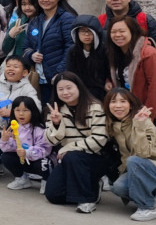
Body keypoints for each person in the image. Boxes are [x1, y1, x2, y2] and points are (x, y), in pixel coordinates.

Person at [104, 88, 156, 221]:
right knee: (118, 187)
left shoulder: (143, 122)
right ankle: (152, 194)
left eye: (123, 101)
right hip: (140, 169)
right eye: (113, 101)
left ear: (131, 105)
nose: (118, 105)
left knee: (134, 161)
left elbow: (142, 153)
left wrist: (139, 125)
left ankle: (147, 208)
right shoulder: (115, 125)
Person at [44, 71, 109, 213]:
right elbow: (51, 141)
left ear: (79, 87)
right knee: (53, 195)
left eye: (69, 88)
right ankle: (92, 187)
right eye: (60, 89)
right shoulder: (56, 110)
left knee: (73, 156)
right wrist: (56, 123)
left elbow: (99, 139)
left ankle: (87, 199)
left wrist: (69, 148)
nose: (65, 92)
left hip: (95, 157)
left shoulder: (95, 107)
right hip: (69, 159)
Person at [105, 16, 156, 143]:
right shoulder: (115, 53)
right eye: (113, 32)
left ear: (133, 32)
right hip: (133, 107)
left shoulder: (149, 54)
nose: (117, 35)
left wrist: (147, 115)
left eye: (122, 31)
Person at [28, 0, 77, 100]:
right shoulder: (35, 21)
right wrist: (31, 55)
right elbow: (26, 46)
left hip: (59, 78)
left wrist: (59, 72)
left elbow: (71, 47)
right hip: (41, 78)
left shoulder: (66, 19)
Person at [0, 95, 50, 191]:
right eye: (17, 110)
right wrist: (5, 140)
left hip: (38, 161)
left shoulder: (39, 128)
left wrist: (27, 152)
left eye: (25, 110)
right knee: (6, 157)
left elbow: (45, 149)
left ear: (33, 111)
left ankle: (46, 180)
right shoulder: (13, 128)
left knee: (43, 163)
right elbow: (8, 149)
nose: (21, 114)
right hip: (24, 161)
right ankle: (22, 178)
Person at [67, 16, 110, 100]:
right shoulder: (72, 51)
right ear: (76, 33)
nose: (86, 34)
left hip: (101, 92)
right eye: (83, 31)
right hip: (79, 92)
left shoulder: (104, 50)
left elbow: (109, 71)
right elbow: (70, 73)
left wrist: (108, 81)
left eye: (90, 31)